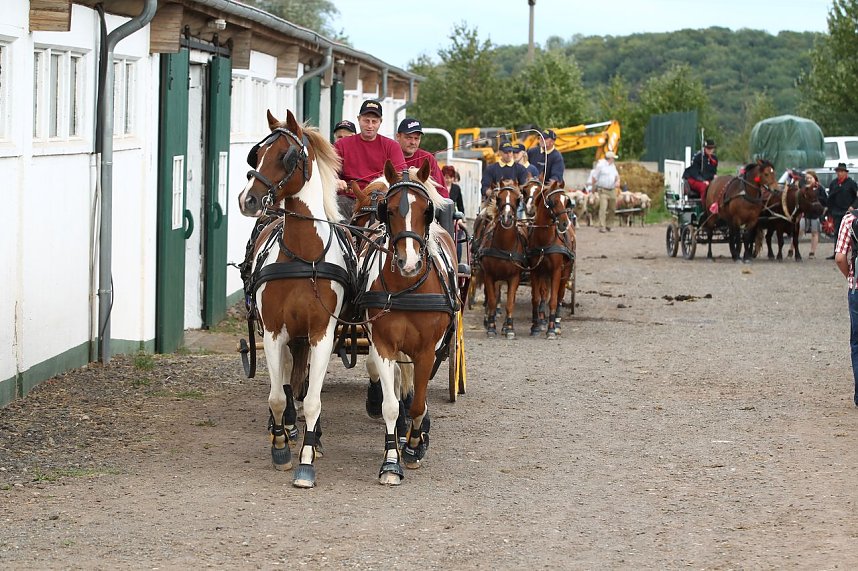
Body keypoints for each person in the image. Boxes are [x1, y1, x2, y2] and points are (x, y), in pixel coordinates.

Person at [333, 99, 406, 220]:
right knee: (338, 205)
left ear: (380, 122)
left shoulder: (392, 146)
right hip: (348, 199)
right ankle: (343, 238)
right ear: (358, 119)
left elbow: (399, 176)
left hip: (380, 199)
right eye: (366, 121)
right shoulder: (342, 144)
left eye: (374, 121)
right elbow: (329, 170)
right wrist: (335, 180)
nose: (370, 125)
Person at [834, 207, 858, 407]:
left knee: (857, 344)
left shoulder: (850, 219)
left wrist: (851, 278)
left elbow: (840, 258)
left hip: (857, 289)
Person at [395, 117, 448, 197]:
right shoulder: (388, 155)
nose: (413, 142)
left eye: (417, 138)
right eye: (409, 137)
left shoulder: (428, 158)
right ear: (398, 136)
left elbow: (442, 191)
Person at [825, 163, 858, 259]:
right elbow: (830, 197)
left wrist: (853, 206)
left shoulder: (851, 183)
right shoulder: (834, 183)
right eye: (838, 171)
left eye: (841, 171)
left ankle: (853, 252)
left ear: (845, 172)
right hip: (836, 211)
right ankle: (837, 253)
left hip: (848, 212)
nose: (839, 173)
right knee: (837, 233)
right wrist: (829, 210)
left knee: (851, 234)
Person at [589, 150, 620, 232]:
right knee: (603, 207)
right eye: (613, 158)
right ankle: (602, 226)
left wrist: (617, 181)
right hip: (602, 190)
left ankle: (609, 225)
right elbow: (594, 177)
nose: (614, 159)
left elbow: (617, 176)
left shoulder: (613, 166)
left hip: (612, 189)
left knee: (612, 208)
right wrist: (593, 189)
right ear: (610, 158)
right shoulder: (600, 166)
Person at [803, 170, 824, 259]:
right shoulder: (804, 188)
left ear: (814, 178)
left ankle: (812, 252)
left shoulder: (819, 188)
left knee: (814, 232)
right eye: (807, 178)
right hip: (805, 213)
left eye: (810, 178)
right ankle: (792, 249)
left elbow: (825, 199)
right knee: (799, 230)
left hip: (815, 213)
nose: (808, 180)